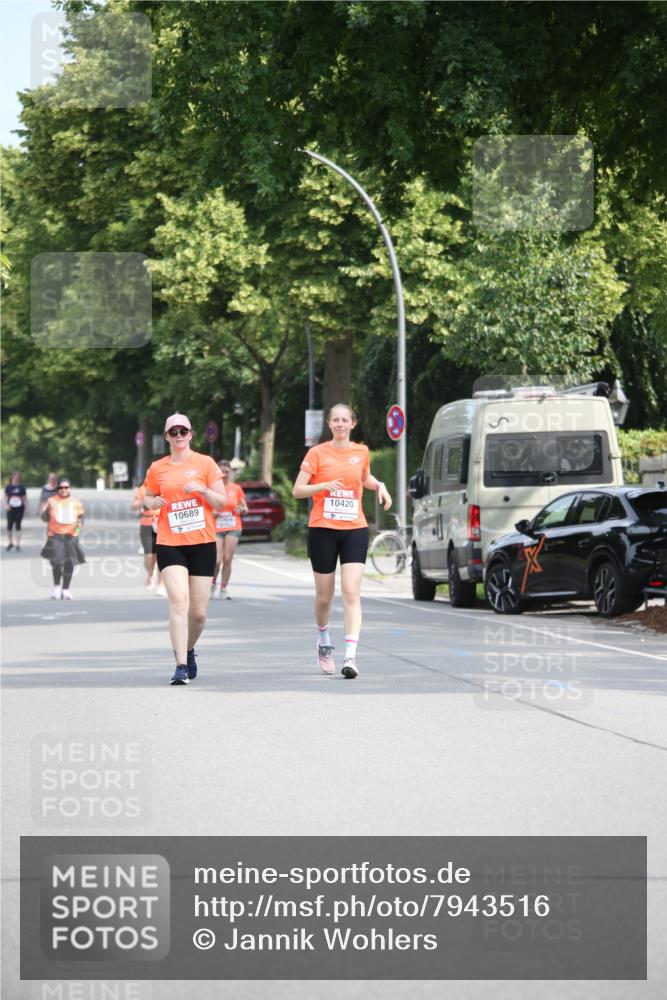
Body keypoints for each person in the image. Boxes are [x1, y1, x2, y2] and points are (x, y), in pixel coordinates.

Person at [292, 403, 392, 679]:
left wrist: (380, 486)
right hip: (323, 529)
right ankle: (324, 642)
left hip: (354, 528)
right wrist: (322, 486)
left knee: (351, 592)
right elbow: (298, 490)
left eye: (344, 420)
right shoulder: (317, 453)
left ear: (352, 424)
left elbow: (365, 477)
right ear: (329, 424)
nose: (339, 424)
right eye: (335, 420)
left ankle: (350, 657)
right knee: (324, 597)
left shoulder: (361, 451)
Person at [143, 413, 227, 685]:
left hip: (202, 543)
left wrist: (202, 490)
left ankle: (189, 649)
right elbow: (147, 495)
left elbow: (221, 503)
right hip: (170, 543)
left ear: (191, 434)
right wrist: (150, 503)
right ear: (167, 436)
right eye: (173, 432)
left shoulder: (205, 463)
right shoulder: (158, 468)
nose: (178, 436)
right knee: (179, 600)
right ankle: (180, 665)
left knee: (199, 613)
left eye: (183, 431)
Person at [40, 479, 85, 599]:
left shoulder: (76, 502)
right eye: (61, 488)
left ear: (70, 488)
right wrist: (44, 513)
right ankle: (56, 587)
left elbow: (81, 519)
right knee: (56, 561)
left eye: (66, 487)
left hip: (71, 535)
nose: (63, 490)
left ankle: (65, 589)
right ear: (58, 489)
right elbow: (44, 517)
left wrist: (77, 532)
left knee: (70, 562)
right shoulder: (52, 501)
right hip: (55, 535)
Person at [212, 460, 248, 599]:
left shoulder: (236, 488)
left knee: (227, 558)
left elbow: (245, 508)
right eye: (222, 471)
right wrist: (212, 513)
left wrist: (242, 509)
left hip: (233, 526)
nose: (224, 474)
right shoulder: (212, 488)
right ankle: (212, 582)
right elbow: (205, 507)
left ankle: (223, 589)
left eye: (227, 472)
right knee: (217, 560)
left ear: (230, 473)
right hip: (216, 527)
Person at [131, 484, 164, 593]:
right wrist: (144, 502)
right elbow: (133, 506)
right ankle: (151, 573)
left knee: (162, 557)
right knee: (149, 556)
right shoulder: (143, 489)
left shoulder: (165, 486)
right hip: (147, 522)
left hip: (163, 522)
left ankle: (161, 584)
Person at [5, 470, 28, 551]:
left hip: (19, 508)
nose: (16, 478)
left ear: (19, 478)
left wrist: (26, 507)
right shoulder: (8, 487)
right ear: (12, 477)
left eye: (17, 477)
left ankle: (18, 544)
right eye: (14, 477)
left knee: (18, 525)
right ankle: (10, 543)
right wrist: (6, 505)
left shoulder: (22, 487)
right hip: (10, 508)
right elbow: (6, 497)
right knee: (9, 526)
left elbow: (24, 498)